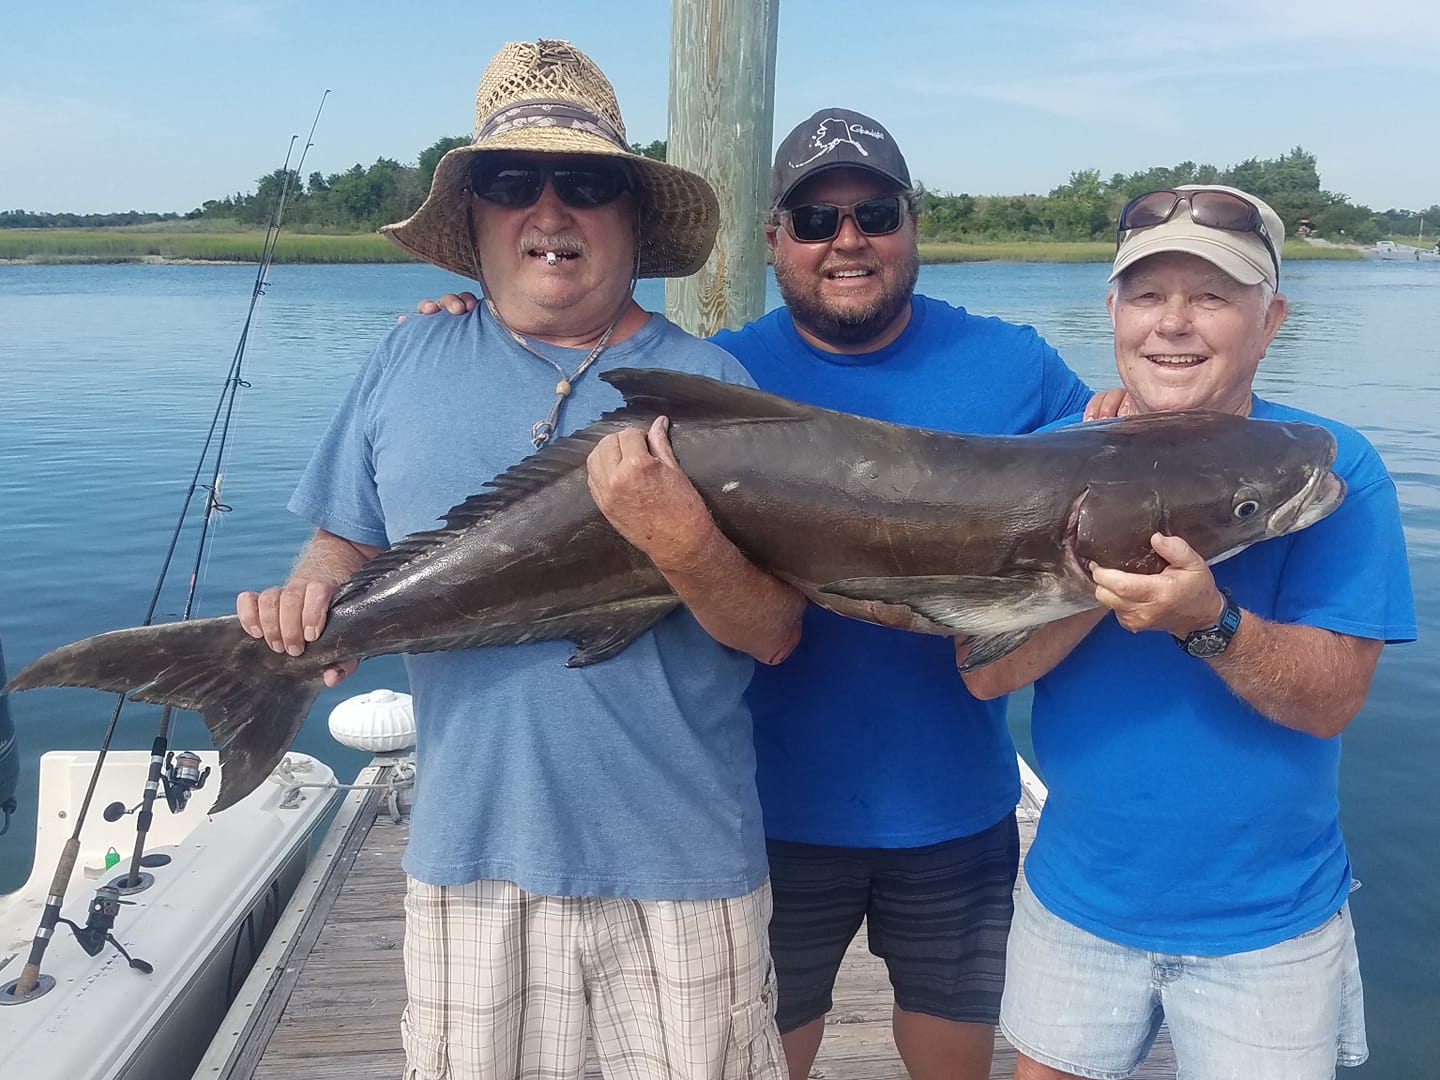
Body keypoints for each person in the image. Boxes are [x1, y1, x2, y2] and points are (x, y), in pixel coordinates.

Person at [419, 108, 1103, 1080]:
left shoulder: (1020, 365)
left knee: (955, 1060)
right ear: (775, 240)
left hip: (957, 808)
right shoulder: (723, 373)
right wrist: (470, 323)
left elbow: (1117, 461)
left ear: (912, 224)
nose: (848, 239)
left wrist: (1143, 409)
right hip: (768, 811)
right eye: (816, 220)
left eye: (873, 211)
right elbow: (563, 377)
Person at [236, 39, 805, 1079]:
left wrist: (675, 536)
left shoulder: (707, 384)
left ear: (629, 215)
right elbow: (343, 537)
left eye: (586, 183)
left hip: (683, 861)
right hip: (469, 859)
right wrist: (312, 593)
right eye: (512, 183)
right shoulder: (404, 355)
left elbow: (772, 632)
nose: (551, 213)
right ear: (478, 219)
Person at [962, 186, 1416, 1080]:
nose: (1174, 324)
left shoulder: (1333, 467)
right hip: (1074, 906)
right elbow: (983, 674)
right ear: (1114, 313)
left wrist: (1210, 622)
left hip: (1270, 930)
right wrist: (1102, 562)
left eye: (1212, 296)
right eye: (1147, 295)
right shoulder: (1048, 453)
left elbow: (1331, 701)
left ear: (1270, 316)